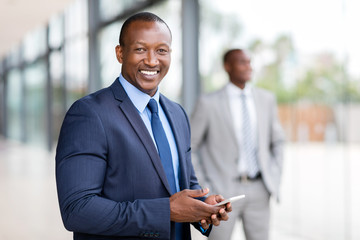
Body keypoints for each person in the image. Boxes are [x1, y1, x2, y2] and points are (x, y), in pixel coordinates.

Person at [55, 12, 231, 240]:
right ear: (120, 53)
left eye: (161, 50)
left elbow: (183, 184)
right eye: (140, 49)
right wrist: (166, 211)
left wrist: (202, 207)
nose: (151, 60)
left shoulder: (177, 113)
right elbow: (77, 210)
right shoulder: (89, 114)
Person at [191, 49, 285, 240]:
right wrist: (206, 186)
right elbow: (190, 147)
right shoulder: (208, 103)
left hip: (260, 189)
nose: (248, 67)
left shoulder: (266, 99)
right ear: (227, 66)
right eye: (242, 62)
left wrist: (273, 176)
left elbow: (278, 142)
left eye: (250, 62)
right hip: (222, 191)